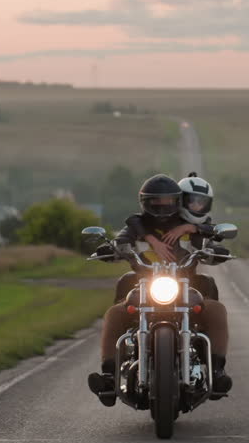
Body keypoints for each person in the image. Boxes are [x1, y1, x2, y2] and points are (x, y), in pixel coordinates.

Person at [88, 173, 231, 406]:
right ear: (145, 202)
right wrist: (110, 250)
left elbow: (211, 237)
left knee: (216, 310)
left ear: (177, 202)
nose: (162, 208)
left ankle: (217, 372)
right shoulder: (136, 227)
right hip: (143, 288)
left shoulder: (188, 228)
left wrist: (210, 245)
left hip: (185, 287)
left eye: (168, 202)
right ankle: (108, 377)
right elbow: (121, 242)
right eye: (156, 203)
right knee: (114, 313)